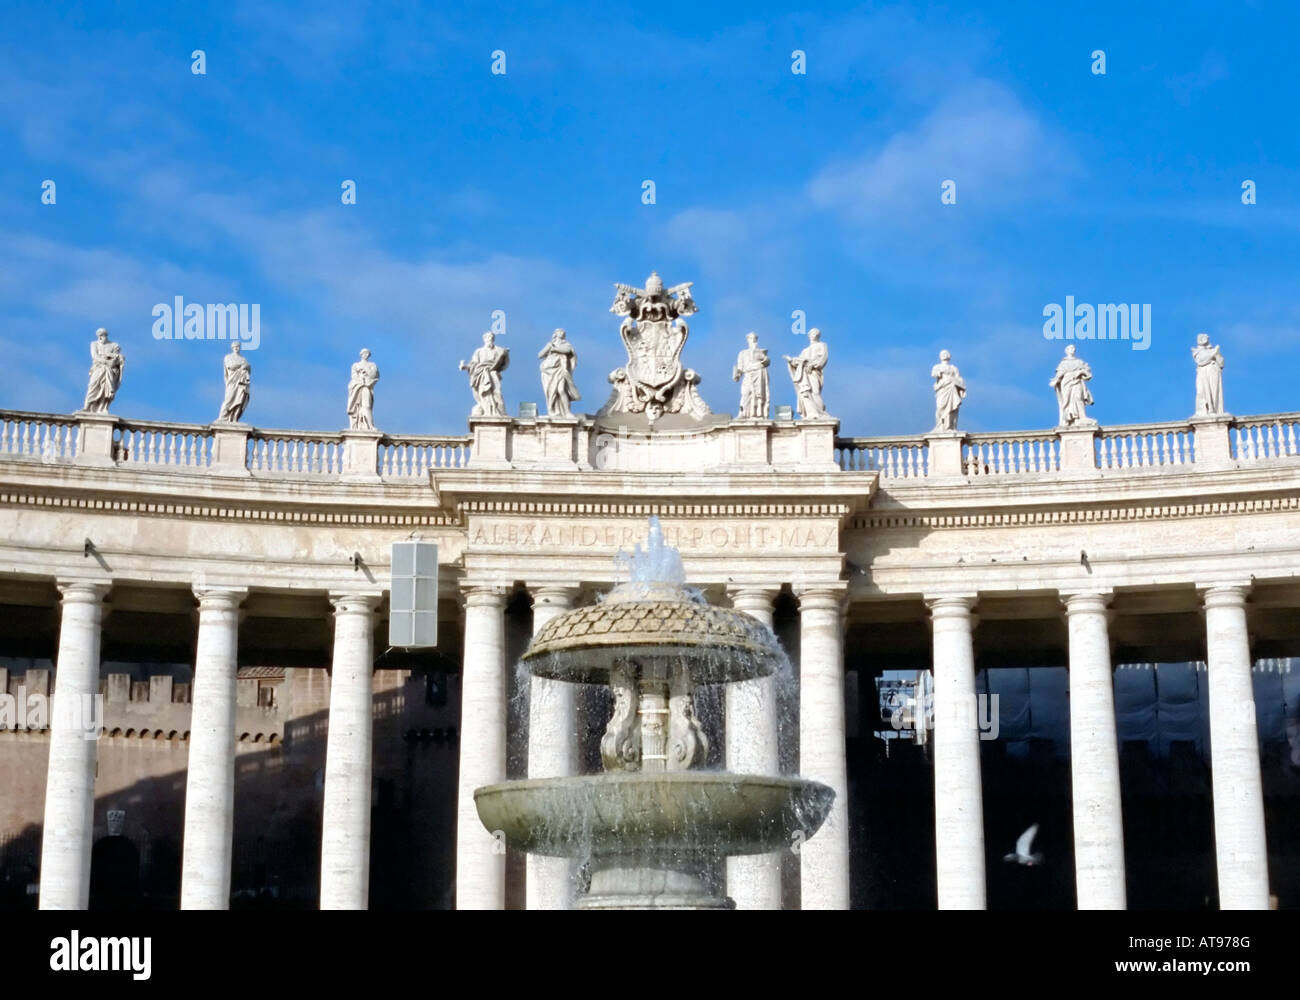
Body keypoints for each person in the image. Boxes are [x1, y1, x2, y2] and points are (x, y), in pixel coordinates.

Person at [459, 331, 509, 417]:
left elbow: (503, 363)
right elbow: (473, 364)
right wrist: (465, 366)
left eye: (491, 338)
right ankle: (487, 411)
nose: (490, 339)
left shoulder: (498, 350)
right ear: (484, 339)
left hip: (493, 373)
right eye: (488, 338)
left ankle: (499, 411)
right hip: (481, 374)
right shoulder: (479, 351)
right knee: (484, 393)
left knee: (497, 392)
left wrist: (505, 355)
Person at [784, 328, 828, 418]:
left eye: (814, 334)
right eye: (811, 334)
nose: (812, 335)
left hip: (814, 372)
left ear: (817, 335)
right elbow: (798, 363)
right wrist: (791, 361)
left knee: (815, 392)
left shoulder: (822, 345)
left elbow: (823, 358)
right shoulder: (805, 350)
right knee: (806, 393)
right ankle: (812, 413)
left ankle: (820, 413)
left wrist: (813, 365)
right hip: (805, 373)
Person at [538, 329, 579, 417]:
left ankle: (567, 411)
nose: (562, 333)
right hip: (549, 370)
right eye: (559, 332)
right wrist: (549, 348)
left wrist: (554, 349)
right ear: (555, 334)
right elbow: (540, 355)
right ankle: (551, 410)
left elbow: (567, 351)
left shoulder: (566, 344)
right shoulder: (550, 344)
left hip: (561, 369)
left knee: (561, 390)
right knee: (551, 391)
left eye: (563, 332)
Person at [1049, 345, 1095, 425]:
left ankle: (1082, 417)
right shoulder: (1063, 363)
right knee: (1067, 400)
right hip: (1066, 383)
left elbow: (1088, 373)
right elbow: (1059, 373)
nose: (1073, 350)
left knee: (1078, 397)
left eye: (1073, 348)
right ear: (1066, 351)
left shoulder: (1079, 362)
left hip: (1077, 381)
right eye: (1070, 348)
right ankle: (1069, 418)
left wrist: (1081, 372)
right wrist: (1055, 380)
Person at [82, 328, 124, 413]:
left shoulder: (114, 345)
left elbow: (119, 358)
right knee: (92, 386)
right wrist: (106, 361)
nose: (100, 338)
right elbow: (95, 356)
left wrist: (113, 360)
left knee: (107, 388)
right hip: (98, 368)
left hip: (110, 370)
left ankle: (103, 408)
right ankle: (87, 406)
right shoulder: (94, 344)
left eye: (102, 335)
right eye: (99, 336)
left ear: (105, 336)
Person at [732, 332, 770, 418]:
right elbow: (740, 368)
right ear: (747, 340)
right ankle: (743, 413)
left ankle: (758, 413)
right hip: (748, 374)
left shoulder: (760, 351)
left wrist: (764, 359)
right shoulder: (743, 353)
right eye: (751, 338)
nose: (753, 340)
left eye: (754, 338)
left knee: (758, 394)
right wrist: (737, 375)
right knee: (745, 393)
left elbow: (767, 361)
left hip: (759, 373)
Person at [217, 342, 252, 422]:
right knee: (229, 399)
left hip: (242, 383)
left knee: (240, 400)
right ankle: (222, 418)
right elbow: (231, 366)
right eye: (235, 346)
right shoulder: (228, 357)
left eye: (238, 346)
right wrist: (242, 366)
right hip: (232, 381)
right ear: (232, 348)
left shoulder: (243, 359)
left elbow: (248, 368)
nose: (236, 348)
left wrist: (247, 367)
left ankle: (234, 418)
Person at [931, 350, 966, 430]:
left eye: (946, 354)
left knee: (952, 409)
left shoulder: (953, 368)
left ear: (949, 356)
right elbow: (933, 374)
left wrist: (961, 384)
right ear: (940, 356)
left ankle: (949, 426)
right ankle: (939, 426)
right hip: (942, 389)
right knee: (940, 407)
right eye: (942, 354)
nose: (944, 355)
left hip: (951, 389)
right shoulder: (937, 367)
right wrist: (940, 372)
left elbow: (959, 378)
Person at [1192, 333, 1226, 415]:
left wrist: (1217, 353)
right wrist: (1214, 352)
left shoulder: (1213, 350)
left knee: (1214, 391)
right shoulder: (1197, 352)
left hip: (1214, 372)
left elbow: (1221, 363)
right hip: (1203, 373)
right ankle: (1205, 410)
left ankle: (1214, 410)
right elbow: (1201, 361)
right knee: (1202, 392)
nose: (1203, 340)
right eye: (1201, 338)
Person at [347, 349, 380, 430]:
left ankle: (370, 425)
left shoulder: (372, 365)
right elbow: (354, 376)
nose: (366, 355)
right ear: (361, 355)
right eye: (364, 353)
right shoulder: (356, 365)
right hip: (358, 387)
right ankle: (365, 425)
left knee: (366, 405)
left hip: (366, 387)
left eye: (367, 353)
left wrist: (366, 372)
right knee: (359, 407)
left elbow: (375, 375)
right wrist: (361, 377)